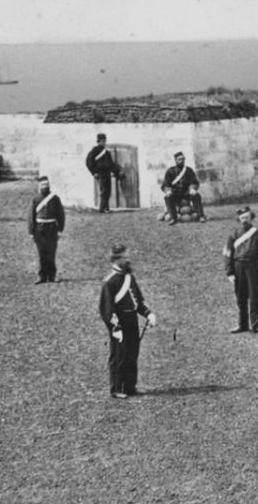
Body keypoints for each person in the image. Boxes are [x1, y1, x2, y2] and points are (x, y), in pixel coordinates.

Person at [98, 245, 156, 399]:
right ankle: (116, 389)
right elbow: (106, 309)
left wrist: (148, 313)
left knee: (132, 353)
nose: (128, 259)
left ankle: (130, 386)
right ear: (116, 259)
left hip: (132, 319)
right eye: (125, 257)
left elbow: (137, 300)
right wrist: (115, 328)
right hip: (120, 322)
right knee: (119, 356)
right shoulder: (109, 282)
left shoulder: (130, 277)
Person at [223, 206, 258, 334]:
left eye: (247, 217)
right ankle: (243, 325)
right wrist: (229, 271)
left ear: (251, 218)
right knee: (241, 296)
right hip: (238, 266)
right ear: (239, 219)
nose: (244, 220)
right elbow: (227, 253)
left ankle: (257, 325)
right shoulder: (233, 235)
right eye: (242, 217)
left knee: (255, 296)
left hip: (253, 267)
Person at [28, 176, 65, 284]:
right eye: (43, 185)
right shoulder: (35, 199)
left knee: (51, 252)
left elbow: (61, 214)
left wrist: (60, 230)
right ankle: (42, 276)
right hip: (39, 229)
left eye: (46, 185)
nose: (45, 187)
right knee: (41, 253)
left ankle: (52, 276)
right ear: (39, 187)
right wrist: (31, 231)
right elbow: (31, 216)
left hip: (52, 228)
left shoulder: (55, 198)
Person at [161, 151, 206, 224]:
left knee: (196, 195)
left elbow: (194, 182)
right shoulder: (170, 171)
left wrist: (192, 188)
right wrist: (168, 190)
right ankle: (173, 218)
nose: (182, 161)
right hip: (175, 193)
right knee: (167, 197)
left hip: (186, 192)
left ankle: (201, 216)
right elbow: (165, 184)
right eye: (179, 159)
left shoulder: (189, 170)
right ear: (176, 160)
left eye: (183, 159)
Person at [85, 133, 122, 214]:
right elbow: (89, 163)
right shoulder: (94, 151)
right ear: (98, 141)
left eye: (105, 141)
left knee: (108, 191)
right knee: (104, 191)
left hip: (107, 173)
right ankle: (102, 209)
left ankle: (106, 208)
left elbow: (111, 164)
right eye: (102, 141)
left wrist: (116, 172)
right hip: (100, 174)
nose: (104, 143)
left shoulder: (106, 152)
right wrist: (94, 173)